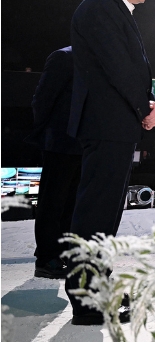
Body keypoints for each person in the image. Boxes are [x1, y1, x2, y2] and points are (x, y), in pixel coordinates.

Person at [66, 0, 155, 325]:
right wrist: (145, 106)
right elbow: (119, 67)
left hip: (116, 127)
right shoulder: (98, 8)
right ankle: (88, 302)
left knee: (105, 216)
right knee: (95, 214)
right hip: (106, 126)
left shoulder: (112, 9)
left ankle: (99, 294)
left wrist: (145, 105)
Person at [25, 46, 83, 279]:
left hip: (84, 144)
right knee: (52, 203)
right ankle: (46, 258)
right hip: (59, 143)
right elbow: (42, 99)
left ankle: (61, 254)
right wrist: (48, 132)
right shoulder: (64, 57)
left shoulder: (97, 57)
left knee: (71, 204)